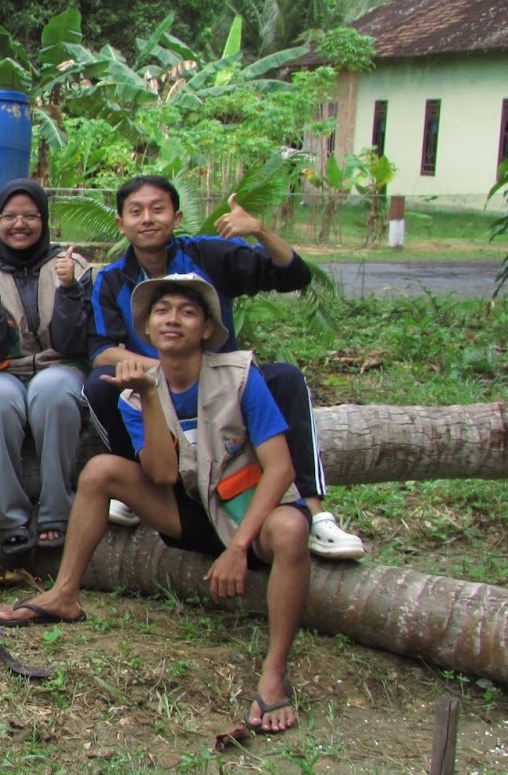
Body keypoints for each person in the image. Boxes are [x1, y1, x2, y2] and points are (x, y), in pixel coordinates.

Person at [0, 274, 310, 734]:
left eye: (187, 312)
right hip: (194, 511)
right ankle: (65, 593)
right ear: (146, 328)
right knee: (102, 470)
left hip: (249, 514)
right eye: (162, 312)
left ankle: (274, 673)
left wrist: (239, 547)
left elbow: (280, 469)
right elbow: (162, 474)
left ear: (206, 328)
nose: (173, 320)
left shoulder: (241, 376)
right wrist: (147, 396)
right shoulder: (137, 391)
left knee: (292, 530)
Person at [84, 176, 364, 561]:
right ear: (121, 223)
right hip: (156, 393)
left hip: (222, 385)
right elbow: (100, 349)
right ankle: (141, 485)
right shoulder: (112, 279)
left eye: (158, 209)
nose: (147, 219)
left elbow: (293, 275)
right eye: (136, 211)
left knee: (284, 377)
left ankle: (314, 515)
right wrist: (162, 367)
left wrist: (260, 230)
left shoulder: (208, 255)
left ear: (177, 217)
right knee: (100, 384)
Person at [0, 180, 94, 555]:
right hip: (1, 369)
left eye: (30, 216)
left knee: (51, 391)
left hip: (60, 364)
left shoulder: (71, 266)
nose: (19, 224)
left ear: (44, 219)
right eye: (10, 216)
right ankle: (12, 517)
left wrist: (69, 289)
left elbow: (72, 344)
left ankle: (56, 511)